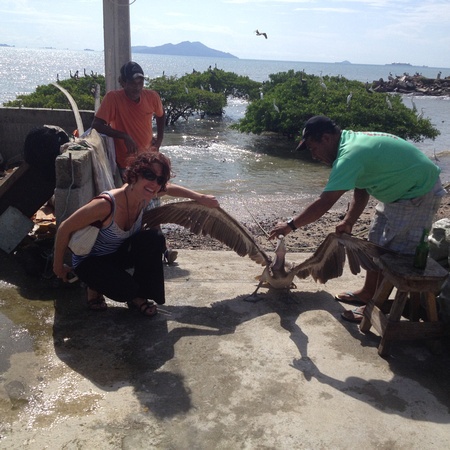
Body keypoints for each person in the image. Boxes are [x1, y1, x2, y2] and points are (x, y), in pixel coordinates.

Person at [269, 115, 445, 323]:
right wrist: (349, 221)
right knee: (373, 243)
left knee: (391, 254)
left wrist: (290, 225)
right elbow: (361, 189)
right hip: (395, 192)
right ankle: (367, 292)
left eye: (312, 148)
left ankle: (373, 307)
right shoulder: (350, 143)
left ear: (326, 138)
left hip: (417, 193)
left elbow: (325, 203)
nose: (313, 155)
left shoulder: (349, 155)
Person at [53, 151, 219, 315]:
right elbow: (65, 228)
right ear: (134, 175)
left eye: (160, 179)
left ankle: (140, 294)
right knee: (125, 290)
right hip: (89, 261)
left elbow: (170, 189)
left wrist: (200, 197)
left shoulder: (146, 193)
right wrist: (58, 267)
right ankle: (97, 287)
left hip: (115, 256)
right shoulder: (106, 204)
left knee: (154, 239)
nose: (154, 183)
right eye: (149, 175)